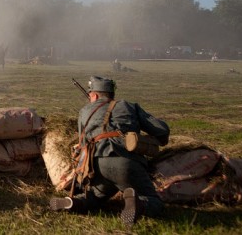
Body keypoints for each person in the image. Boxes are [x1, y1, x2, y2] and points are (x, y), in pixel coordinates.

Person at [50, 76, 170, 229]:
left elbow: (82, 142)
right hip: (125, 162)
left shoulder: (85, 111)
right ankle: (139, 204)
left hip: (95, 165)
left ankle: (74, 202)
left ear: (94, 95)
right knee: (153, 199)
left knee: (96, 196)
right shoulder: (128, 106)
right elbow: (162, 130)